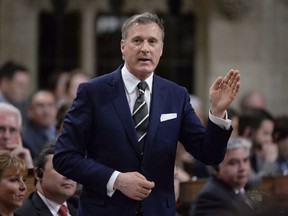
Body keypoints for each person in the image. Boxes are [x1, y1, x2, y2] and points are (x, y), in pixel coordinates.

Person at [53, 12, 240, 215]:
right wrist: (116, 179)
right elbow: (64, 157)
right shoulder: (93, 92)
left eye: (152, 41)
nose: (145, 48)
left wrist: (218, 111)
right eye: (137, 40)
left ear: (161, 49)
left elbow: (209, 155)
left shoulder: (176, 95)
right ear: (123, 46)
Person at [190, 137, 254, 216]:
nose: (242, 168)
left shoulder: (242, 189)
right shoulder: (210, 198)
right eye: (233, 163)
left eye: (245, 160)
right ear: (216, 169)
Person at [15, 142, 78, 216]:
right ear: (38, 173)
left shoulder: (81, 206)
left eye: (72, 169)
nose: (68, 176)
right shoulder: (23, 213)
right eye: (59, 168)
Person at [238, 108, 280, 187]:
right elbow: (253, 185)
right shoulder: (233, 152)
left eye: (271, 134)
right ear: (248, 132)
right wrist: (269, 162)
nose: (270, 139)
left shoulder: (256, 153)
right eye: (265, 133)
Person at [21, 90, 57, 159]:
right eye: (40, 106)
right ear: (29, 111)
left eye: (50, 105)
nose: (46, 111)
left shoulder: (62, 132)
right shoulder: (25, 139)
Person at [0, 102, 33, 169]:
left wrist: (28, 167)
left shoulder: (25, 158)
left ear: (19, 136)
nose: (6, 136)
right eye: (1, 129)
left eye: (12, 130)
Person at [0, 61, 31, 128]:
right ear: (4, 83)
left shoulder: (24, 106)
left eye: (26, 86)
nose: (24, 91)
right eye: (20, 85)